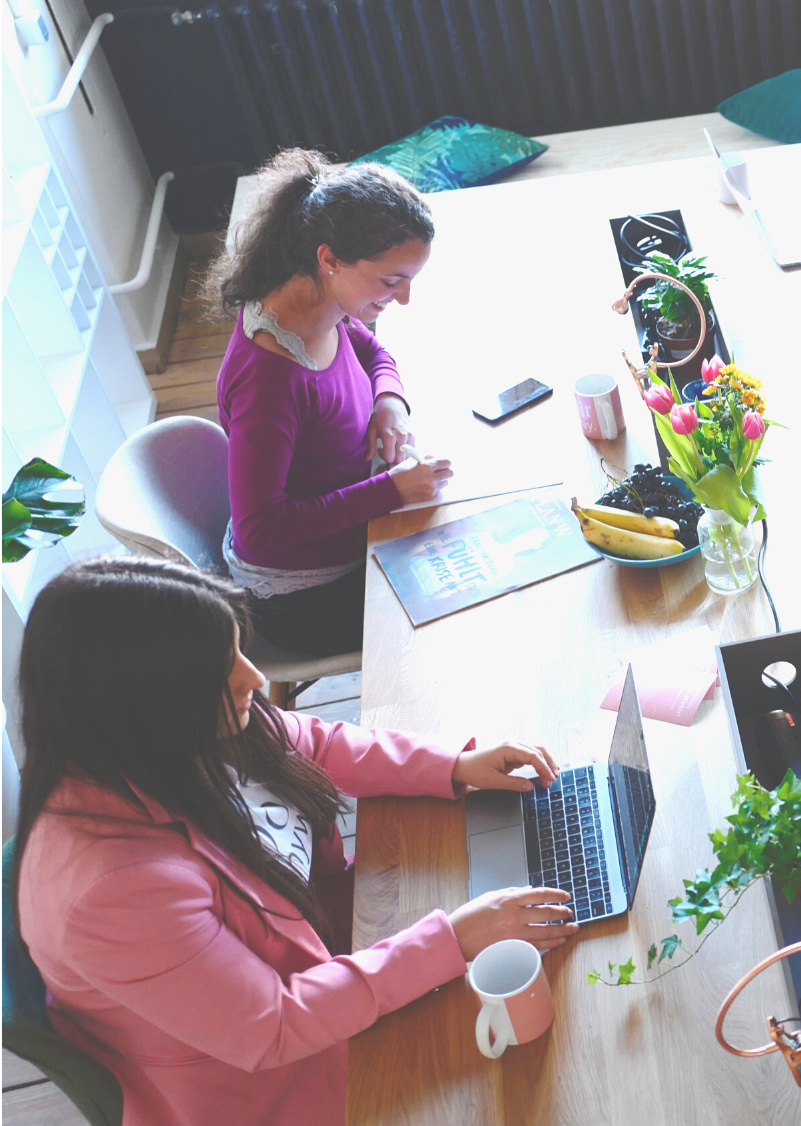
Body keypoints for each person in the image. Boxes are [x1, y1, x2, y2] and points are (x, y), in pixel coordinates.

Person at [13, 557, 577, 1126]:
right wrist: (453, 938)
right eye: (221, 667)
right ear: (144, 702)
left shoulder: (171, 732)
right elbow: (272, 1025)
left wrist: (454, 766)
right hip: (270, 1080)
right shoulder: (111, 893)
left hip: (335, 953)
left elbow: (314, 743)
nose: (254, 679)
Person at [206, 149, 454, 657]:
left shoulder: (316, 300)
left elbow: (370, 348)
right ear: (330, 259)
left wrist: (389, 400)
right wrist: (388, 491)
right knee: (459, 613)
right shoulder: (268, 379)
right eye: (391, 281)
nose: (404, 298)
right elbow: (262, 529)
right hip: (306, 595)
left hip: (359, 526)